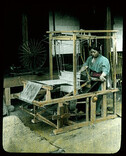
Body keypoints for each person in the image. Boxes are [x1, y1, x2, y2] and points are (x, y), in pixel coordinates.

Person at [79, 44, 110, 114]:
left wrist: (102, 76)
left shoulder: (104, 60)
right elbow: (85, 65)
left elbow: (105, 70)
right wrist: (79, 72)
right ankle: (85, 110)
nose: (92, 54)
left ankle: (96, 111)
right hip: (92, 79)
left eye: (94, 52)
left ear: (98, 51)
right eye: (91, 52)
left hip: (101, 79)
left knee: (97, 95)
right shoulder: (90, 58)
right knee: (85, 93)